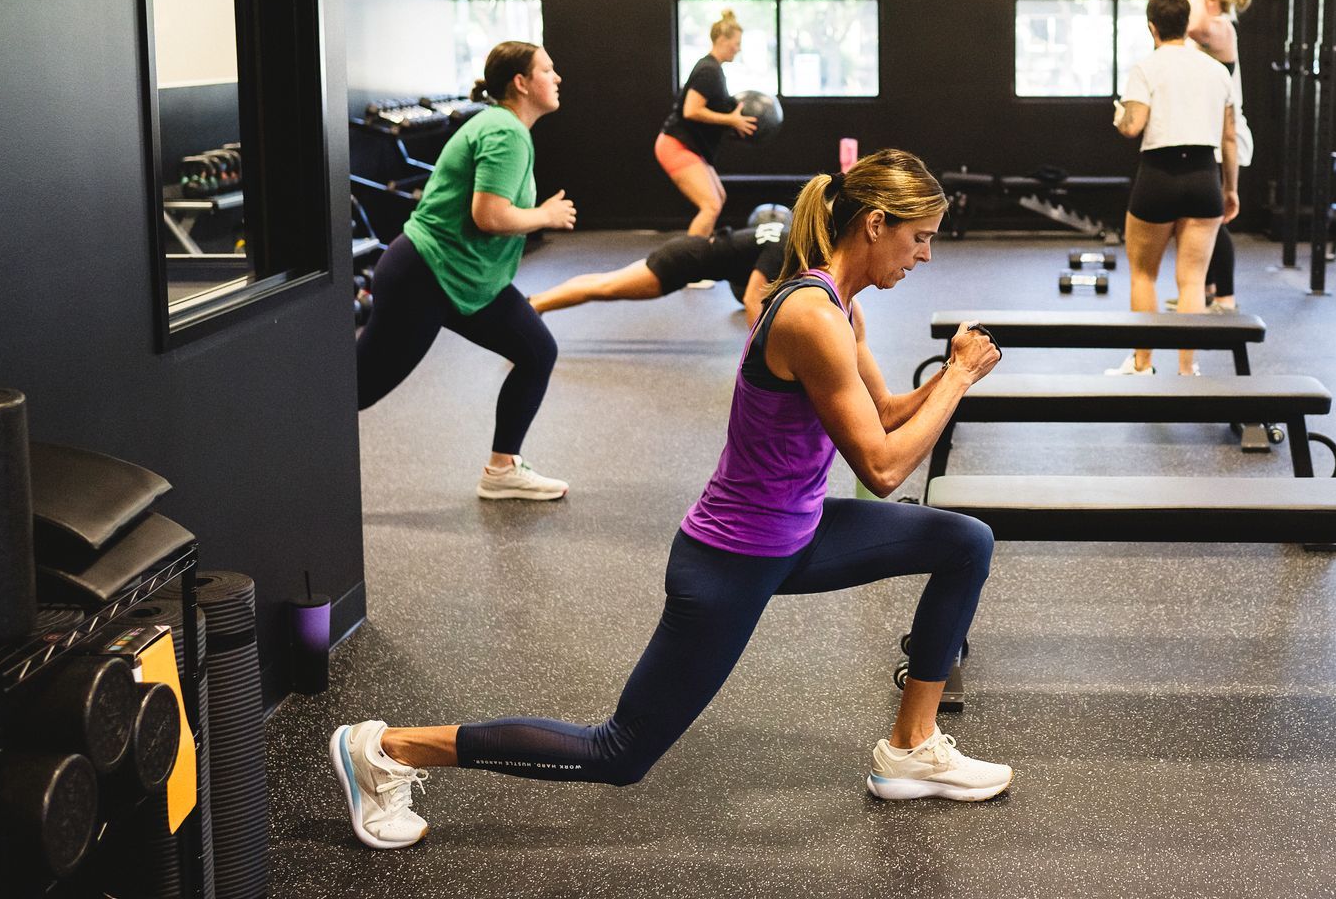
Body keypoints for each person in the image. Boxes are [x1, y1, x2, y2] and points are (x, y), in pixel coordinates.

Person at [328, 150, 1012, 850]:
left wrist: (951, 377)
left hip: (798, 533)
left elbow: (890, 414)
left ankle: (912, 747)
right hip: (732, 558)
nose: (925, 255)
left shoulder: (842, 311)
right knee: (619, 753)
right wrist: (956, 378)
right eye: (920, 236)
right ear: (874, 223)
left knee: (964, 543)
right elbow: (883, 464)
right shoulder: (811, 317)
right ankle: (388, 750)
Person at [356, 41, 576, 502]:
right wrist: (546, 216)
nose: (557, 78)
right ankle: (274, 454)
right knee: (358, 390)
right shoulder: (506, 132)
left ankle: (502, 470)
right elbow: (490, 216)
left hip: (464, 279)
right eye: (548, 70)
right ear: (521, 82)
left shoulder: (505, 127)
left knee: (537, 351)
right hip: (426, 276)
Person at [1109, 0, 1240, 376]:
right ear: (1187, 25)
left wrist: (1119, 116)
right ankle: (1187, 371)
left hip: (1159, 177)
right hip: (1204, 176)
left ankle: (1142, 364)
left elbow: (1132, 126)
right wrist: (1230, 189)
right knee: (1193, 281)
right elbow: (1230, 137)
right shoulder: (1216, 69)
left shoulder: (1147, 67)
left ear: (1152, 26)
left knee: (1144, 274)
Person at [530, 223, 788, 327]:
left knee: (604, 282)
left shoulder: (785, 234)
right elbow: (752, 301)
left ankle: (538, 301)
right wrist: (760, 355)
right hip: (682, 263)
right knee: (606, 288)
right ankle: (536, 305)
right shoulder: (783, 248)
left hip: (689, 251)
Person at [1186, 0, 1255, 313]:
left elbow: (1192, 25)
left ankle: (1226, 297)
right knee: (1201, 218)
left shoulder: (1222, 28)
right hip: (1208, 135)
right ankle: (1207, 289)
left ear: (1212, 0)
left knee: (1214, 221)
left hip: (1224, 137)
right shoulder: (1214, 26)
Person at [657, 8, 758, 237]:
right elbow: (691, 110)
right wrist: (731, 120)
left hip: (689, 145)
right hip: (676, 144)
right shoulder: (708, 70)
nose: (739, 48)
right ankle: (685, 265)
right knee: (710, 205)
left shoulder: (714, 69)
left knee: (718, 198)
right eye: (737, 42)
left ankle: (700, 257)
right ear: (722, 40)